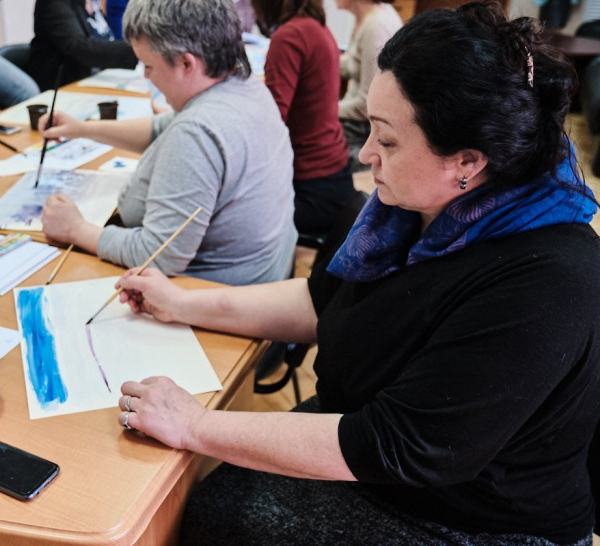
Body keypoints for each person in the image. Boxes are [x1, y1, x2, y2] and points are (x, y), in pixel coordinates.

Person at [112, 2, 600, 543]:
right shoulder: (410, 207)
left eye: (387, 140)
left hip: (470, 517)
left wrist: (195, 424)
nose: (366, 154)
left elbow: (395, 444)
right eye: (371, 130)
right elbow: (322, 299)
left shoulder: (545, 282)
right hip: (377, 446)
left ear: (467, 160)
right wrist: (181, 303)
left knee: (212, 515)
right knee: (211, 499)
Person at [40, 0, 297, 286]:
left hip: (212, 290)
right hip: (268, 271)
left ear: (187, 63)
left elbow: (158, 256)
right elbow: (162, 127)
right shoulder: (242, 85)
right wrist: (82, 129)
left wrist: (76, 229)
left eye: (149, 65)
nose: (146, 75)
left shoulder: (197, 132)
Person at [252, 0, 353, 234]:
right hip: (333, 178)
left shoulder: (289, 36)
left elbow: (272, 120)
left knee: (231, 218)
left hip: (311, 187)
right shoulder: (317, 27)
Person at [337, 0, 401, 172]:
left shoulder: (375, 27)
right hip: (356, 121)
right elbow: (353, 64)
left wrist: (329, 111)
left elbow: (367, 106)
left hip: (360, 129)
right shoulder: (369, 18)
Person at [28, 0, 138, 90]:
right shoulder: (54, 3)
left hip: (96, 81)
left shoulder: (92, 4)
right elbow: (80, 47)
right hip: (64, 89)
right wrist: (137, 49)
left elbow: (106, 40)